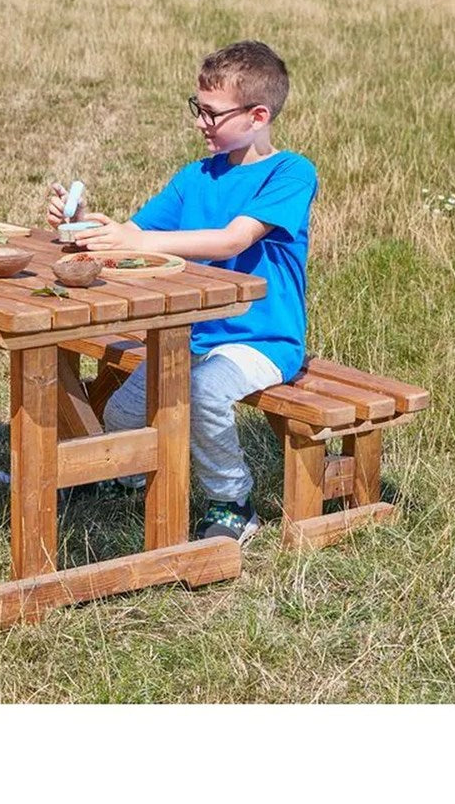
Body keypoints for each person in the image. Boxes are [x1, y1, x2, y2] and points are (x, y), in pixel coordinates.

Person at [48, 40, 318, 543]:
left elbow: (233, 239)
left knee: (203, 392)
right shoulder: (195, 177)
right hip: (191, 335)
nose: (200, 123)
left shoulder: (290, 173)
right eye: (198, 109)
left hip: (261, 339)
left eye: (211, 114)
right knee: (124, 411)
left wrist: (136, 239)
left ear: (258, 115)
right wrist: (87, 226)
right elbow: (135, 234)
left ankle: (232, 501)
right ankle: (127, 477)